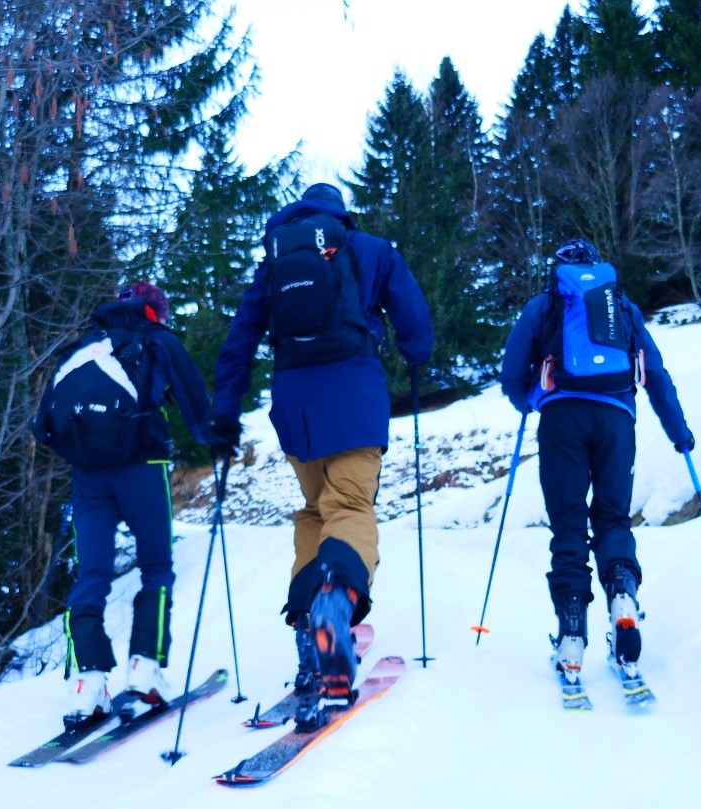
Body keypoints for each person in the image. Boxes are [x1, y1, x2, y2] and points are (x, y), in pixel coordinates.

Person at [209, 182, 433, 727]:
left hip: (296, 408)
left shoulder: (276, 259)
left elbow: (239, 340)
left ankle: (310, 641)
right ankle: (336, 599)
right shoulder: (371, 248)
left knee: (315, 512)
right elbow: (416, 328)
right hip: (354, 399)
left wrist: (224, 413)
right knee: (350, 508)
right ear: (340, 212)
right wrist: (414, 356)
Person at [499, 239, 694, 686]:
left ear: (559, 272)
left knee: (568, 524)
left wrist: (528, 399)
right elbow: (656, 375)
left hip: (562, 419)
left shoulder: (544, 305)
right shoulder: (622, 308)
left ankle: (571, 634)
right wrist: (679, 434)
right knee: (612, 518)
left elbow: (511, 373)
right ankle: (622, 594)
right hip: (617, 419)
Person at [31, 281, 212, 728]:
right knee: (156, 567)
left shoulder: (84, 346)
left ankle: (88, 685)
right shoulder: (158, 341)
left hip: (88, 474)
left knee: (91, 573)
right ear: (156, 313)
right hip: (143, 467)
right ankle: (145, 668)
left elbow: (43, 425)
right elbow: (196, 403)